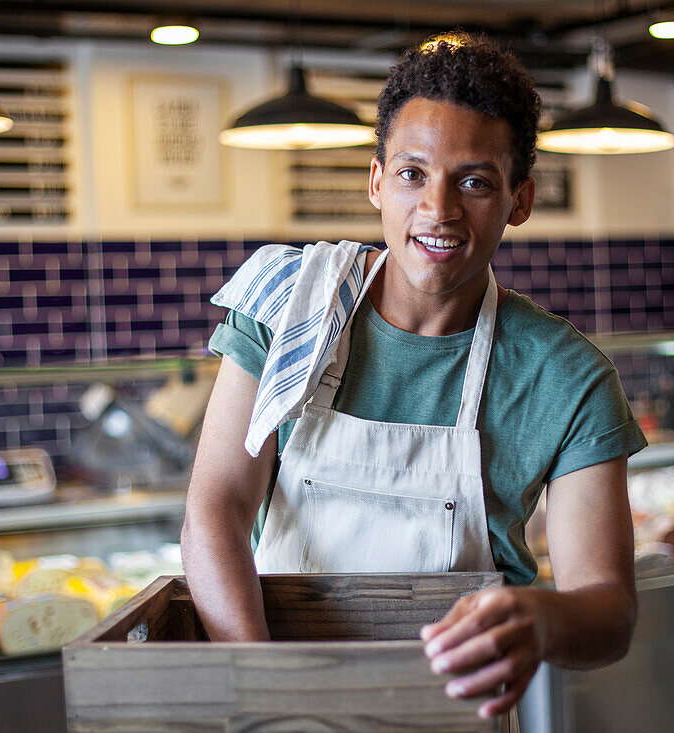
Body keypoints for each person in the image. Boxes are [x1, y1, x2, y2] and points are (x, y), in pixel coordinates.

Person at [180, 31, 647, 720]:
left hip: (451, 717)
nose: (439, 209)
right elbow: (215, 509)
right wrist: (271, 696)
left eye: (476, 181)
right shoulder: (289, 310)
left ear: (520, 199)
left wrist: (542, 620)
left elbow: (607, 605)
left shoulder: (566, 376)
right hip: (273, 696)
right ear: (376, 181)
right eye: (412, 173)